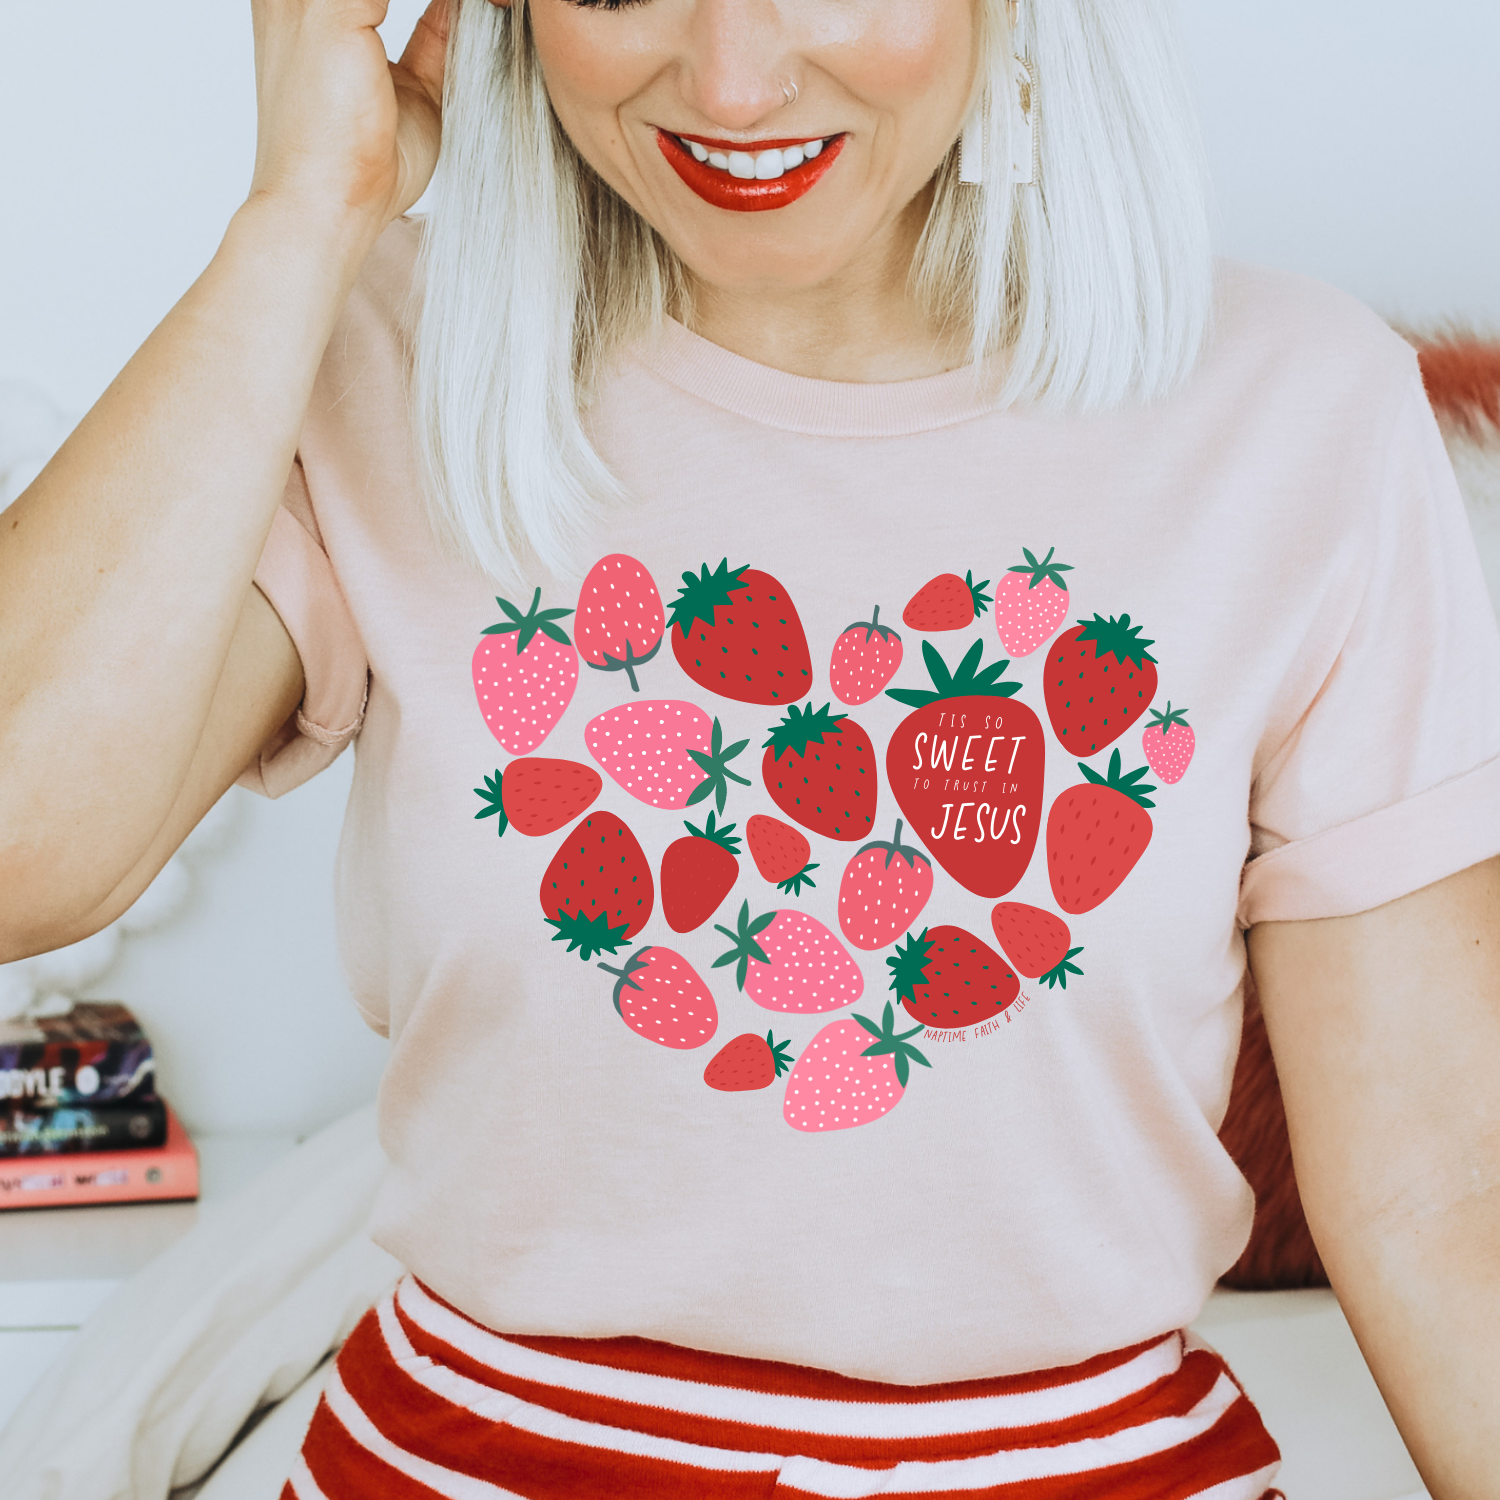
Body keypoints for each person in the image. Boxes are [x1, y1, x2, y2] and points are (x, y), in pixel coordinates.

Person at [2, 0, 1498, 1494]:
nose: (730, 82)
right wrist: (299, 215)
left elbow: (1438, 1201)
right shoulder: (382, 345)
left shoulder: (1301, 410)